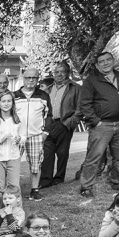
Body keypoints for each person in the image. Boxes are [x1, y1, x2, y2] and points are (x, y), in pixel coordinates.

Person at [78, 52, 119, 198]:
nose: (105, 63)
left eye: (108, 60)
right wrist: (96, 121)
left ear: (113, 61)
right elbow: (84, 104)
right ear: (97, 65)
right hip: (102, 125)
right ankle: (86, 186)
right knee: (94, 157)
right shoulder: (91, 81)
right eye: (101, 61)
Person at [41, 61, 81, 189]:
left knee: (62, 153)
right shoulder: (49, 88)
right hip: (48, 124)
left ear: (68, 73)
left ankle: (59, 178)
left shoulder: (75, 88)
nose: (59, 74)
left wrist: (70, 122)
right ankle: (46, 180)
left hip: (64, 123)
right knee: (47, 153)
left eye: (62, 72)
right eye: (56, 72)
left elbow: (81, 108)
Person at [13, 68, 52, 201]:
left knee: (36, 164)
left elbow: (49, 115)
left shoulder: (43, 96)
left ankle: (35, 190)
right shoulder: (14, 95)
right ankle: (13, 190)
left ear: (37, 79)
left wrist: (45, 132)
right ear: (23, 78)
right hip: (18, 135)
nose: (30, 80)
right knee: (13, 163)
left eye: (34, 78)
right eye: (28, 77)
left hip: (36, 135)